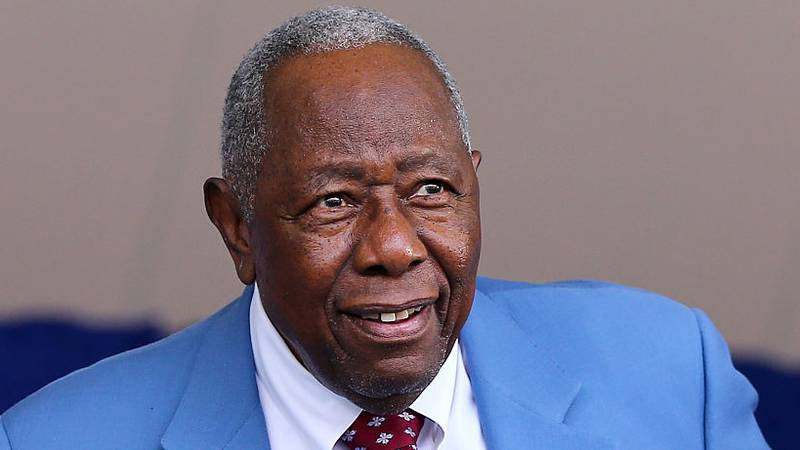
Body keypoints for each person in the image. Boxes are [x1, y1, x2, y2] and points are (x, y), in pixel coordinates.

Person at [0, 6, 768, 449]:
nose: (394, 247)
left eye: (432, 189)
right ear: (236, 226)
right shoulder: (54, 441)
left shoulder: (671, 374)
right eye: (334, 201)